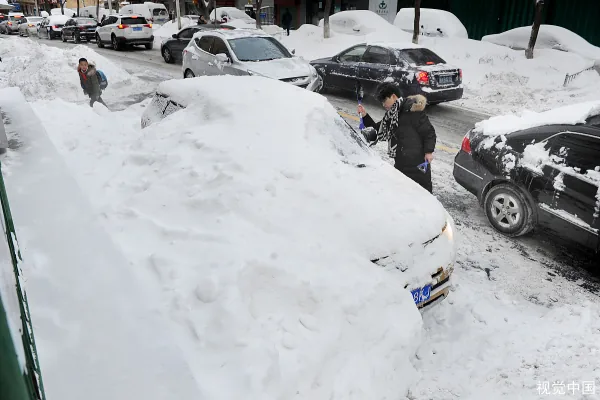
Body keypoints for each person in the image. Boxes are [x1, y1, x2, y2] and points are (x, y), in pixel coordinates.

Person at [358, 83, 436, 193]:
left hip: (418, 164)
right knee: (403, 194)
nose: (383, 104)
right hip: (401, 163)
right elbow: (378, 130)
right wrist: (365, 115)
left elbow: (429, 133)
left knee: (423, 194)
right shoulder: (391, 116)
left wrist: (428, 152)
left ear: (393, 96)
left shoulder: (413, 111)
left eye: (384, 100)